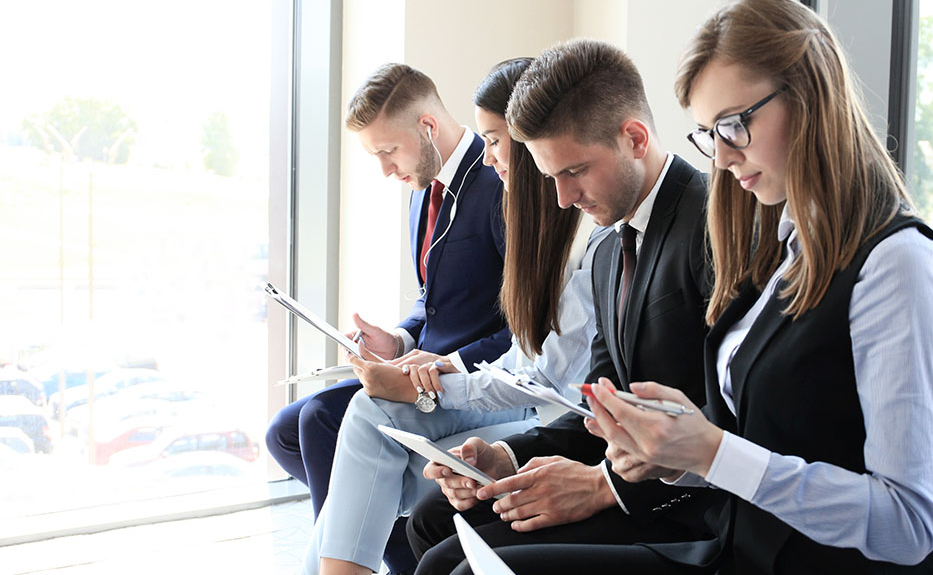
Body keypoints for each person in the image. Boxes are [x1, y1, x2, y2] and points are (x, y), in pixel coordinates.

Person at [574, 0, 933, 574]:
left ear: (811, 98)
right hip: (733, 549)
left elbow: (906, 524)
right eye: (708, 133)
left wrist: (713, 450)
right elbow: (754, 449)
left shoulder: (896, 262)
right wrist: (678, 449)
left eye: (734, 125)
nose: (721, 158)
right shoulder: (781, 247)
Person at [406, 39, 721, 575]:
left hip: (691, 512)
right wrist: (505, 457)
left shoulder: (713, 231)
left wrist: (605, 488)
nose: (561, 198)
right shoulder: (606, 251)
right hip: (625, 477)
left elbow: (731, 421)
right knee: (432, 518)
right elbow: (596, 409)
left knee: (450, 567)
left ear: (635, 138)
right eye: (550, 175)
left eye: (574, 171)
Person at [303, 58, 605, 575]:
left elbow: (531, 360)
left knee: (364, 419)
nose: (490, 159)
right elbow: (435, 302)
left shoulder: (532, 214)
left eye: (494, 140)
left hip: (515, 398)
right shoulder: (431, 192)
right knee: (322, 429)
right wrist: (401, 345)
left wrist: (435, 379)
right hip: (481, 380)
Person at [264, 63, 513, 538]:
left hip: (473, 379)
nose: (384, 170)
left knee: (319, 420)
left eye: (387, 151)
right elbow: (433, 302)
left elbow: (522, 327)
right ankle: (385, 549)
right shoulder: (422, 187)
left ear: (427, 126)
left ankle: (345, 558)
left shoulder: (499, 180)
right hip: (418, 368)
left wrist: (445, 365)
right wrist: (396, 340)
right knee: (283, 431)